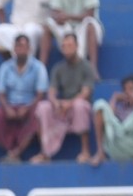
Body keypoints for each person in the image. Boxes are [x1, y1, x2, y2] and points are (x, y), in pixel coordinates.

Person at [35, 31, 95, 163]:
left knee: (80, 106)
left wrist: (70, 103)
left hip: (78, 104)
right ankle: (44, 152)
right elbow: (51, 91)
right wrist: (55, 102)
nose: (66, 48)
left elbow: (86, 92)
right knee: (43, 107)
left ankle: (85, 151)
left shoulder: (86, 66)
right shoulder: (58, 68)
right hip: (62, 106)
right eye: (64, 46)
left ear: (77, 46)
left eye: (70, 45)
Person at [0, 33, 47, 162]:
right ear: (14, 49)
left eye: (24, 46)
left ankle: (17, 152)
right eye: (18, 46)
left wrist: (28, 107)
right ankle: (9, 150)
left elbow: (40, 94)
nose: (21, 49)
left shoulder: (38, 67)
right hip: (11, 106)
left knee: (38, 115)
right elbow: (0, 93)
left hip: (30, 106)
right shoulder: (6, 67)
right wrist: (7, 108)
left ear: (29, 49)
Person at [47, 0, 103, 70]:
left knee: (90, 23)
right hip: (66, 27)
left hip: (84, 27)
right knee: (46, 25)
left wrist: (67, 16)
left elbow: (90, 14)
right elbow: (56, 11)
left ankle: (93, 69)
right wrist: (59, 18)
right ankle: (42, 68)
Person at [89, 74, 133, 167]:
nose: (128, 92)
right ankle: (100, 152)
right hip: (116, 145)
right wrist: (115, 98)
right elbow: (109, 119)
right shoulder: (121, 107)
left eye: (132, 89)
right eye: (125, 90)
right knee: (99, 104)